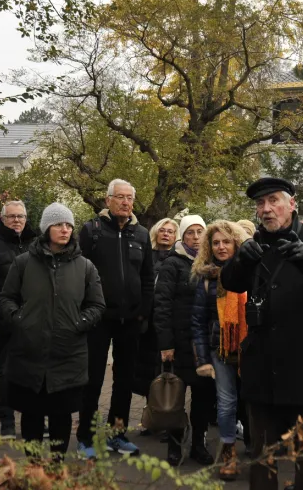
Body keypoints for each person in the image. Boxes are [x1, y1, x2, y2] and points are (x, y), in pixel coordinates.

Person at [221, 178, 303, 490]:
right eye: (260, 204)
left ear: (292, 204)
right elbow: (230, 282)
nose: (266, 209)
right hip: (263, 369)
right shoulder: (254, 243)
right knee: (261, 455)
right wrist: (242, 258)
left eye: (273, 201)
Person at [0, 203, 105, 458]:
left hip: (68, 353)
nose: (65, 230)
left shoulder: (85, 266)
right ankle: (34, 466)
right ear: (47, 228)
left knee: (61, 414)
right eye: (59, 224)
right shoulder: (23, 263)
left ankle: (57, 464)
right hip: (30, 352)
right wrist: (21, 320)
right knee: (31, 414)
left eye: (69, 225)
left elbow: (98, 304)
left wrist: (78, 324)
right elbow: (6, 298)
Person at [77, 179, 154, 457]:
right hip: (98, 319)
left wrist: (143, 312)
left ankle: (116, 435)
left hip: (130, 320)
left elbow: (147, 278)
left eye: (129, 198)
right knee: (93, 379)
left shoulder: (141, 234)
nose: (125, 202)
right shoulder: (91, 231)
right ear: (107, 200)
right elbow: (78, 274)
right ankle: (85, 436)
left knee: (124, 381)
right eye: (120, 197)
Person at [191, 220, 251, 480]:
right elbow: (197, 322)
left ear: (236, 242)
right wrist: (203, 359)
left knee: (254, 401)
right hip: (221, 350)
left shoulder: (252, 271)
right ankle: (229, 453)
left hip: (251, 348)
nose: (221, 246)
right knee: (226, 403)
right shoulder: (205, 278)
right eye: (216, 242)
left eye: (226, 241)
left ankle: (260, 449)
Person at [154, 215, 215, 466]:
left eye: (200, 231)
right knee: (176, 398)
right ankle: (174, 445)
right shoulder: (173, 264)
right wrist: (165, 343)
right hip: (179, 342)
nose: (196, 237)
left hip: (203, 343)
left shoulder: (210, 262)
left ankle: (199, 444)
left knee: (203, 397)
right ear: (182, 235)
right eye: (190, 232)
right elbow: (162, 305)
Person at [0, 200, 37, 437]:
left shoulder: (35, 243)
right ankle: (7, 422)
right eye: (12, 216)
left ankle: (34, 418)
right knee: (4, 371)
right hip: (3, 319)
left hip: (33, 319)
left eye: (21, 216)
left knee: (34, 370)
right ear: (2, 218)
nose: (17, 220)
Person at [136, 218, 179, 404]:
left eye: (170, 231)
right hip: (147, 321)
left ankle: (170, 416)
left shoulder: (179, 259)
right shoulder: (146, 256)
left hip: (169, 321)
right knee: (147, 369)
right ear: (156, 233)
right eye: (162, 230)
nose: (166, 234)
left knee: (169, 372)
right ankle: (151, 413)